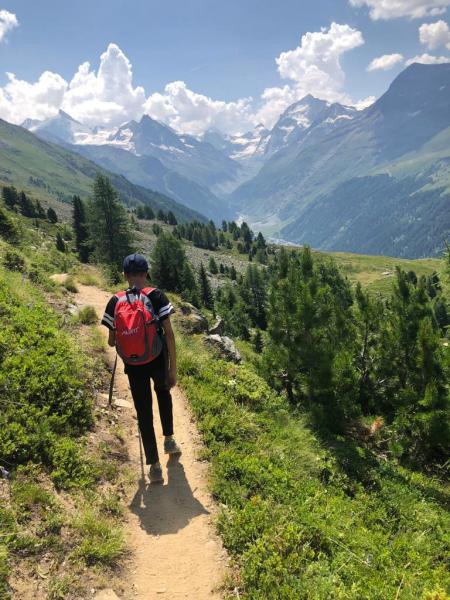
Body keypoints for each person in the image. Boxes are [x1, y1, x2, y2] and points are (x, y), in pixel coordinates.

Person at [101, 253, 181, 483]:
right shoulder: (156, 296)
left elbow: (111, 342)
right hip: (156, 359)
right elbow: (169, 335)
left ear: (125, 275)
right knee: (163, 394)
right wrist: (172, 369)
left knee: (143, 411)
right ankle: (169, 440)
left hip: (134, 365)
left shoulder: (115, 301)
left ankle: (154, 467)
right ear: (146, 274)